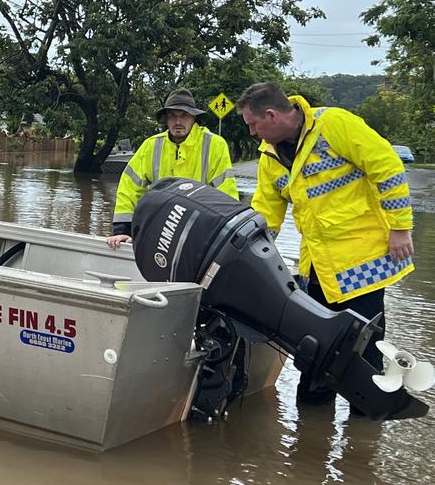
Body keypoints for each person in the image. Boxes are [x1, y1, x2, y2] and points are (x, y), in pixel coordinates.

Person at [236, 82, 414, 405]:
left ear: (272, 115)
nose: (251, 133)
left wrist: (400, 228)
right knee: (315, 352)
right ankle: (311, 426)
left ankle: (366, 417)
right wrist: (247, 254)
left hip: (362, 264)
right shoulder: (270, 157)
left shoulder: (333, 125)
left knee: (365, 350)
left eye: (253, 124)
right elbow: (266, 212)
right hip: (318, 267)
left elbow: (386, 165)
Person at [107, 88, 239, 249]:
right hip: (160, 230)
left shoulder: (214, 145)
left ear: (193, 118)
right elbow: (129, 188)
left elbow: (226, 193)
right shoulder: (151, 145)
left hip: (199, 231)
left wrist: (226, 235)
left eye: (184, 116)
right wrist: (123, 230)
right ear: (166, 119)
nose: (178, 122)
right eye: (172, 116)